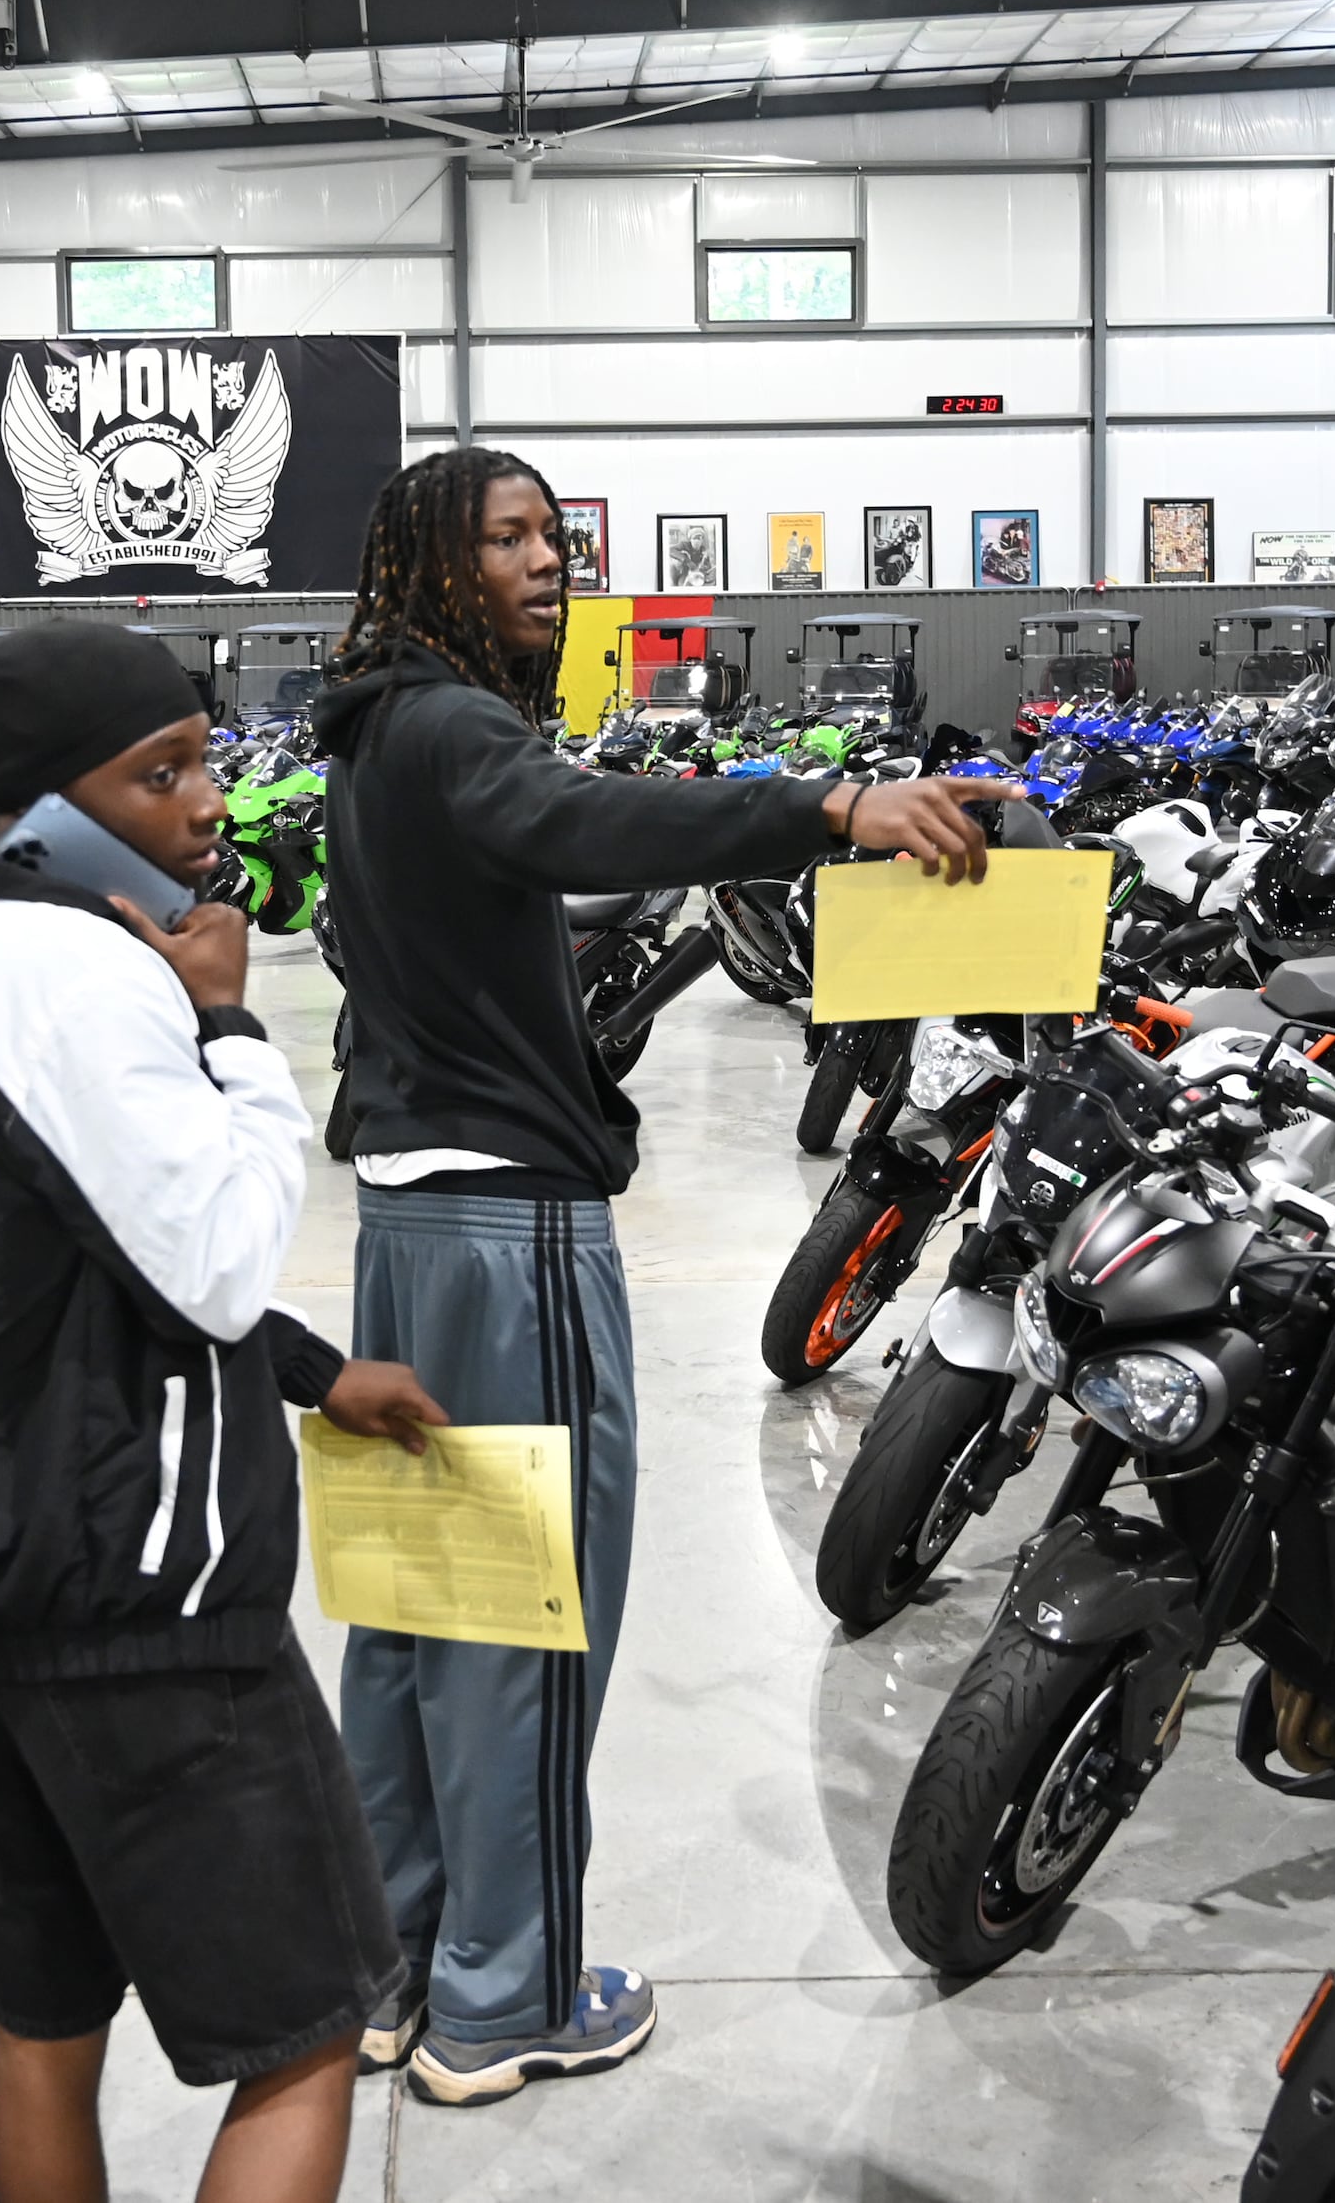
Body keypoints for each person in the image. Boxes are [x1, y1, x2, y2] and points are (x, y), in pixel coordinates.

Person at [315, 446, 1016, 2105]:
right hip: (510, 1247)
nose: (545, 562)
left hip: (407, 1227)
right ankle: (504, 1998)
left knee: (413, 1620)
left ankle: (392, 1967)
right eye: (506, 538)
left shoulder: (370, 727)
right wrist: (830, 801)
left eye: (556, 534)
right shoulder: (459, 730)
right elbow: (577, 816)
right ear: (431, 562)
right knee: (523, 1636)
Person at [0, 621, 448, 2203]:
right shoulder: (90, 968)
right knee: (308, 2033)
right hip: (142, 1603)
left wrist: (320, 1376)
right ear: (49, 805)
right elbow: (218, 1258)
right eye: (156, 772)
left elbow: (60, 1245)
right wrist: (235, 1030)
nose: (204, 804)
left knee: (48, 2023)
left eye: (202, 755)